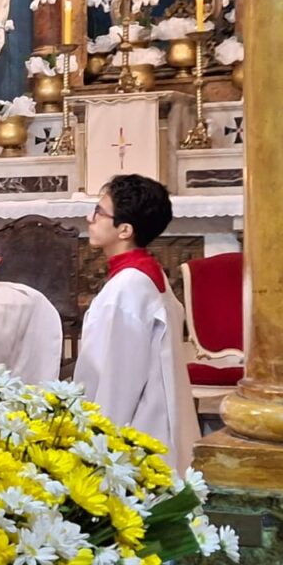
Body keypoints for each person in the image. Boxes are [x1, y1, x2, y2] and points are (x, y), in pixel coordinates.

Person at [73, 174, 199, 472]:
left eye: (99, 212)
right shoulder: (146, 275)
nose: (90, 218)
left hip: (135, 439)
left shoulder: (127, 289)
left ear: (125, 230)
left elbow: (117, 381)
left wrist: (95, 451)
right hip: (153, 424)